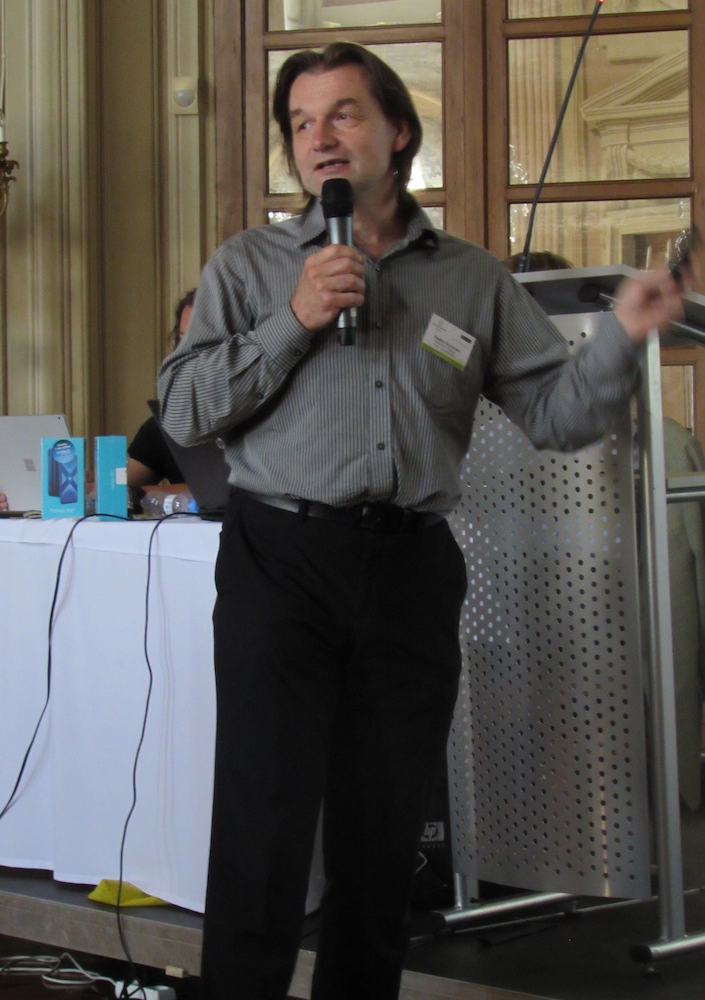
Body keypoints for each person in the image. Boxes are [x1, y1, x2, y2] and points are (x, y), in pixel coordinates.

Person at [156, 42, 685, 1000]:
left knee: (381, 837)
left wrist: (623, 336)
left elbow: (556, 418)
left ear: (399, 131)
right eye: (301, 123)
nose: (319, 138)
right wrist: (294, 318)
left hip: (410, 571)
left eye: (343, 114)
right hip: (282, 561)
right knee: (264, 832)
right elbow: (184, 411)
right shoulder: (249, 264)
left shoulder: (472, 279)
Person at [0, 290, 196, 511]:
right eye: (182, 340)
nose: (186, 354)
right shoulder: (166, 422)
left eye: (200, 341)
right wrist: (9, 494)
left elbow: (216, 493)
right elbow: (116, 487)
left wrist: (132, 494)